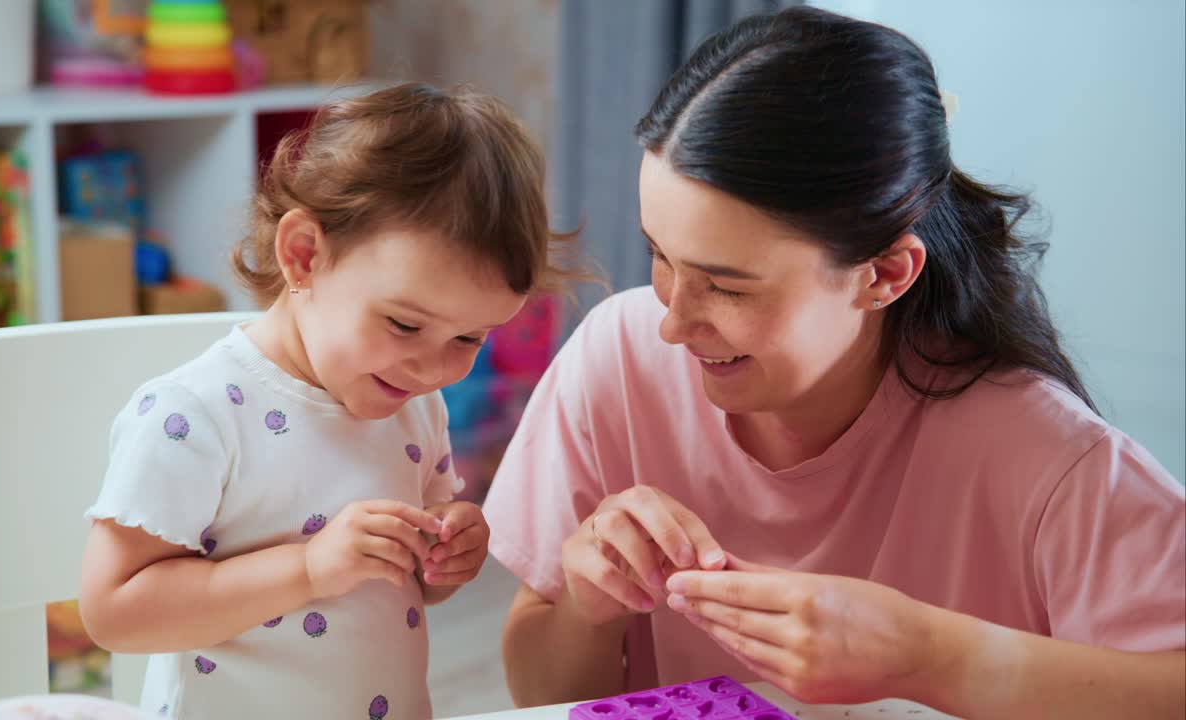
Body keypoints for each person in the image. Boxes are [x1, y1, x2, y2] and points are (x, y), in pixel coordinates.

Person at [485, 8, 1185, 718]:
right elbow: (542, 698)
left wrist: (929, 655)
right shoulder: (619, 360)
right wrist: (586, 605)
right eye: (660, 257)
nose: (673, 321)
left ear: (884, 274)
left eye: (726, 285)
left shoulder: (1041, 452)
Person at [78, 82, 576, 719]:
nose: (434, 367)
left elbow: (401, 584)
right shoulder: (194, 417)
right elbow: (115, 611)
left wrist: (442, 558)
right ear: (304, 255)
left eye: (470, 337)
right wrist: (309, 567)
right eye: (404, 324)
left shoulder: (413, 403)